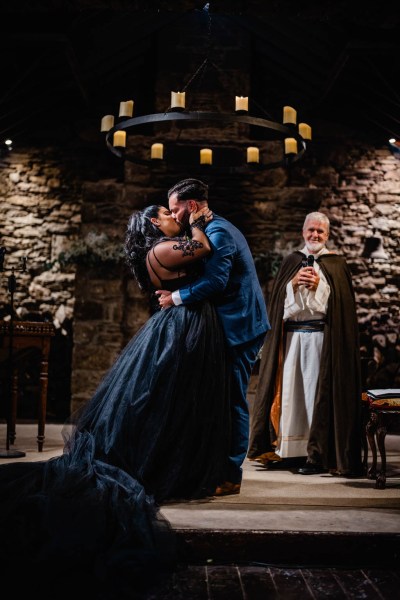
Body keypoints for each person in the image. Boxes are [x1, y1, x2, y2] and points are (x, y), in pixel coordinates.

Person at [0, 204, 232, 595]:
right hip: (177, 326)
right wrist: (194, 222)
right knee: (155, 399)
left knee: (166, 400)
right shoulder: (160, 250)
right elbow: (204, 250)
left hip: (183, 321)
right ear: (157, 222)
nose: (174, 214)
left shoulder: (162, 247)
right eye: (167, 212)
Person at [157, 178, 270, 495]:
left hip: (241, 328)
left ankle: (232, 475)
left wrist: (175, 298)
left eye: (176, 209)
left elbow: (217, 282)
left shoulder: (219, 232)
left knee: (234, 400)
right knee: (220, 399)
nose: (174, 215)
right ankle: (211, 464)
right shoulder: (210, 229)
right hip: (228, 326)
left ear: (191, 206)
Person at [248, 211, 362, 477]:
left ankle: (316, 453)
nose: (315, 235)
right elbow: (278, 306)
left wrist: (320, 285)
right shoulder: (291, 262)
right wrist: (293, 285)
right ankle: (289, 451)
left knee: (314, 395)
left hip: (322, 341)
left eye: (320, 232)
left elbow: (340, 308)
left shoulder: (336, 264)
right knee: (290, 395)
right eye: (311, 230)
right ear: (303, 232)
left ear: (328, 235)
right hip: (292, 340)